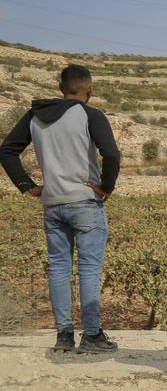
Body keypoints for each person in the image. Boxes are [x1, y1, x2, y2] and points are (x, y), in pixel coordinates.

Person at [0, 64, 120, 353]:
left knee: (58, 269)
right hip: (85, 202)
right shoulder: (91, 115)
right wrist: (106, 187)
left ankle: (64, 335)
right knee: (89, 269)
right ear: (89, 90)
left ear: (60, 89)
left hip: (52, 204)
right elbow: (112, 154)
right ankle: (91, 335)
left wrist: (28, 186)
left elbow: (6, 150)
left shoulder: (35, 115)